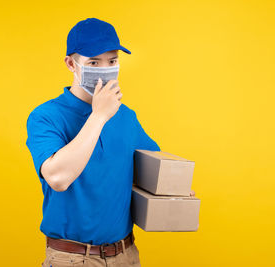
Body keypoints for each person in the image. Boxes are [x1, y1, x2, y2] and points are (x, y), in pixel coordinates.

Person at [26, 17, 195, 267]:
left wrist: (174, 190)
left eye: (112, 61)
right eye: (94, 62)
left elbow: (152, 168)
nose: (105, 69)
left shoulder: (126, 116)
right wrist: (99, 116)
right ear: (71, 64)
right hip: (72, 258)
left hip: (126, 255)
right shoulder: (46, 116)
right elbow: (58, 178)